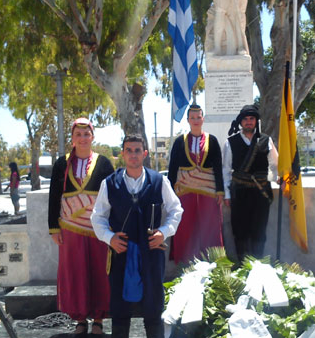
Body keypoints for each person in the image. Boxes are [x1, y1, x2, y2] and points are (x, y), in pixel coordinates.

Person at [91, 134, 183, 338]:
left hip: (151, 252)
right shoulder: (109, 183)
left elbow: (176, 210)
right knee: (120, 309)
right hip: (120, 253)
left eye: (137, 150)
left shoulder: (159, 181)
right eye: (129, 150)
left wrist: (164, 232)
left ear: (145, 154)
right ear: (122, 153)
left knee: (153, 308)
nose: (133, 155)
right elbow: (97, 217)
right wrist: (110, 238)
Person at [48, 118, 115, 336]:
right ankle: (79, 319)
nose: (83, 138)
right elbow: (54, 196)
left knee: (98, 272)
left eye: (87, 134)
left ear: (92, 137)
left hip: (98, 229)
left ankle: (98, 318)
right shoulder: (61, 163)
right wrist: (54, 227)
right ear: (73, 138)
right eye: (79, 134)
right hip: (70, 228)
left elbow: (111, 197)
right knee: (75, 273)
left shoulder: (104, 163)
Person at [167, 104, 224, 264]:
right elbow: (173, 168)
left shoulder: (212, 140)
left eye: (198, 117)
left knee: (210, 228)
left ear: (203, 119)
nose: (196, 120)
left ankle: (213, 264)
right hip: (185, 191)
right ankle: (184, 264)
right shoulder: (180, 141)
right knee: (185, 227)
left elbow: (218, 167)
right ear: (188, 120)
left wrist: (220, 190)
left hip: (208, 191)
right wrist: (170, 193)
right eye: (192, 118)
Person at [222, 104, 278, 262]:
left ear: (256, 121)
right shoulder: (230, 142)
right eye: (245, 119)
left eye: (251, 119)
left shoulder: (266, 140)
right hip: (239, 193)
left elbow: (275, 165)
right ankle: (241, 265)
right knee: (240, 230)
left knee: (259, 230)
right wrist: (227, 194)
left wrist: (279, 178)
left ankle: (258, 266)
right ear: (240, 122)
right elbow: (225, 170)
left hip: (261, 193)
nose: (248, 122)